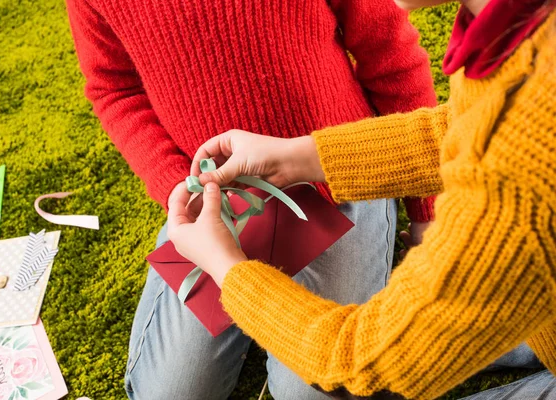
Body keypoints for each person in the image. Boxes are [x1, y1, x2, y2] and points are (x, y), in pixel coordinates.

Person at [167, 0, 556, 398]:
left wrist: (227, 268)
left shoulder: (526, 184)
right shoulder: (530, 34)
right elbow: (468, 127)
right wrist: (298, 157)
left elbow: (360, 362)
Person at [65, 0, 440, 398]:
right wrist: (176, 184)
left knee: (316, 390)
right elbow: (114, 88)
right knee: (170, 393)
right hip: (214, 203)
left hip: (337, 175)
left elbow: (389, 51)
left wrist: (427, 210)